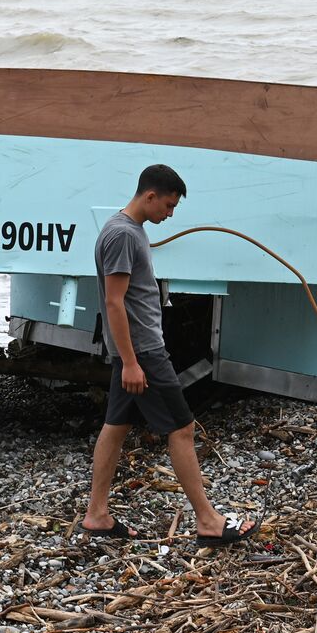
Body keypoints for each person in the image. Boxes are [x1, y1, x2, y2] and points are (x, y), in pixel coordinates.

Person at [85, 163, 259, 546]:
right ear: (149, 196)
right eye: (168, 205)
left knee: (116, 427)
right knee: (181, 429)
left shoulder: (129, 231)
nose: (170, 213)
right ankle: (209, 522)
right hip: (143, 353)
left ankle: (97, 515)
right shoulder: (122, 236)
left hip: (138, 351)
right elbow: (114, 303)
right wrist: (130, 362)